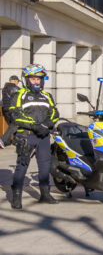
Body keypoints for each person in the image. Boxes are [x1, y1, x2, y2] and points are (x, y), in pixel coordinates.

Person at [9, 65, 59, 209]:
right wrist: (35, 126)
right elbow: (16, 115)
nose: (36, 81)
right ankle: (16, 197)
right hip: (26, 136)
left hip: (43, 137)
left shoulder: (47, 96)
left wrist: (47, 125)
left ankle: (45, 194)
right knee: (22, 166)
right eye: (33, 78)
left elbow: (55, 113)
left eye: (38, 79)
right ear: (27, 80)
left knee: (45, 166)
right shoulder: (19, 95)